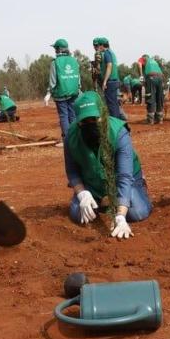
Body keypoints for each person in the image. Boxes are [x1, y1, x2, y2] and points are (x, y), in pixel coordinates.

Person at [64, 91, 152, 238]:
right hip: (92, 180)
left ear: (103, 116)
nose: (90, 125)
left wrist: (120, 216)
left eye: (95, 119)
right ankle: (100, 198)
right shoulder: (71, 137)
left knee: (137, 212)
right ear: (78, 121)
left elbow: (124, 175)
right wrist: (82, 194)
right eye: (84, 122)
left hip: (122, 179)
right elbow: (72, 171)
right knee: (76, 213)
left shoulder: (118, 133)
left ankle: (138, 188)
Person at [45, 38, 81, 138]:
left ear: (58, 49)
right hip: (74, 93)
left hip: (60, 94)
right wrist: (78, 88)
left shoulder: (55, 62)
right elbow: (78, 77)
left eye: (55, 48)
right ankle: (75, 138)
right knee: (72, 115)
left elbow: (53, 81)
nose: (55, 50)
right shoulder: (74, 61)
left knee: (63, 116)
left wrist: (48, 93)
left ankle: (67, 139)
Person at [94, 37, 124, 119]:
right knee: (114, 103)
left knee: (111, 105)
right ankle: (118, 120)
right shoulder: (112, 53)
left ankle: (114, 122)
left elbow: (109, 66)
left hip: (110, 82)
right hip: (115, 81)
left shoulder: (106, 53)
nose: (98, 48)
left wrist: (104, 81)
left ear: (102, 45)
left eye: (98, 45)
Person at [138, 54, 165, 124]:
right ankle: (160, 119)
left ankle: (150, 120)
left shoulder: (143, 58)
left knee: (150, 97)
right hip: (160, 78)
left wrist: (141, 76)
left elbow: (139, 65)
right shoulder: (154, 61)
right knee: (159, 98)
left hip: (151, 77)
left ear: (144, 57)